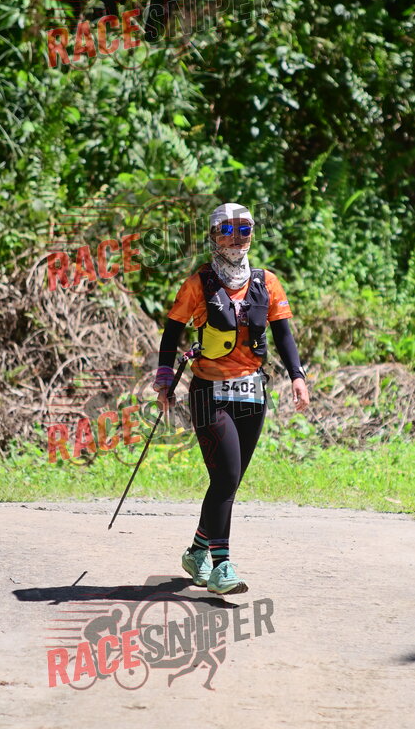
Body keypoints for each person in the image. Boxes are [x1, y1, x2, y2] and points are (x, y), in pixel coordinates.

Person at [153, 202, 309, 595]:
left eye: (244, 230)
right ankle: (222, 566)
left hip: (252, 391)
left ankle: (197, 552)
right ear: (212, 235)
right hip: (209, 391)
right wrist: (164, 377)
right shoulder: (198, 284)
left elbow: (283, 334)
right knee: (224, 477)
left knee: (230, 479)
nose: (236, 238)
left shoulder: (266, 282)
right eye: (227, 230)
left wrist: (297, 376)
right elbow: (171, 331)